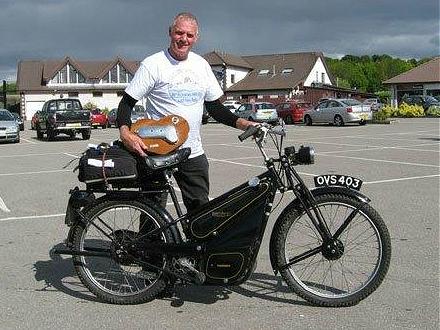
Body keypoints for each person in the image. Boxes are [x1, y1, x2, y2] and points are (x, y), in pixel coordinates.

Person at [116, 12, 254, 212]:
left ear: (196, 38)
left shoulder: (201, 65)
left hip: (192, 152)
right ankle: (152, 243)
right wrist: (125, 133)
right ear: (170, 32)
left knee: (200, 212)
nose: (184, 39)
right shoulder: (153, 64)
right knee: (152, 213)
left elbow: (215, 108)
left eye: (189, 35)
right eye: (179, 33)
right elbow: (126, 103)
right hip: (157, 150)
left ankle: (194, 244)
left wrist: (244, 123)